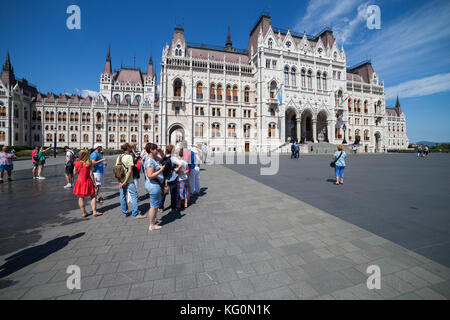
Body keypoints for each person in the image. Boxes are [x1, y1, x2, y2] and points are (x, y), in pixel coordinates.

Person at [116, 143, 144, 219]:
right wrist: (125, 182)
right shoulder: (129, 157)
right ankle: (135, 214)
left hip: (121, 180)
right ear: (128, 148)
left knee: (122, 196)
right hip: (129, 180)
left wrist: (120, 182)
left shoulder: (119, 156)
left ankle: (124, 213)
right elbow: (130, 171)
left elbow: (116, 170)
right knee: (134, 195)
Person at [73, 150, 102, 218]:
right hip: (88, 181)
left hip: (80, 181)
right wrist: (94, 183)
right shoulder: (89, 163)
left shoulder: (76, 163)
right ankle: (94, 212)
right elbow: (91, 174)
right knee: (93, 196)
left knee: (81, 197)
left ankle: (84, 213)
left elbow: (74, 173)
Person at [144, 143, 165, 231]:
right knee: (154, 206)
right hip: (153, 185)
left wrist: (160, 150)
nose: (157, 150)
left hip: (155, 184)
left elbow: (163, 158)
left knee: (155, 204)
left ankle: (154, 219)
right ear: (151, 150)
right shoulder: (149, 161)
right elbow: (150, 175)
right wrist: (161, 170)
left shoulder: (153, 158)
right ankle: (152, 225)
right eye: (155, 149)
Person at [160, 144, 181, 212]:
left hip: (164, 177)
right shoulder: (173, 158)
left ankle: (161, 207)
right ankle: (173, 208)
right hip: (172, 177)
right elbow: (181, 164)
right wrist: (177, 168)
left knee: (163, 192)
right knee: (173, 193)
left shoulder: (163, 158)